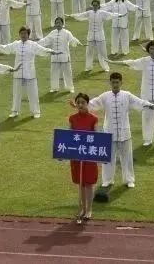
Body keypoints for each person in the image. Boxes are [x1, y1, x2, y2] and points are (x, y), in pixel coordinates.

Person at [86, 72, 154, 189]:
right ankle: (107, 180)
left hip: (125, 133)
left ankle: (129, 180)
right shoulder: (105, 96)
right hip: (109, 133)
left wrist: (151, 105)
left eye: (117, 82)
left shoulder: (127, 95)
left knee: (127, 158)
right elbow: (92, 103)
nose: (115, 84)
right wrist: (79, 105)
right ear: (110, 82)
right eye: (113, 82)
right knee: (108, 158)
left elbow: (139, 102)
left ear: (121, 82)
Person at [0, 26, 59, 118]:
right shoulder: (16, 44)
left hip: (30, 73)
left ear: (28, 34)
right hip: (18, 73)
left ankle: (36, 111)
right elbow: (6, 48)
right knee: (16, 93)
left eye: (25, 33)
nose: (23, 35)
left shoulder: (33, 45)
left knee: (33, 93)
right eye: (21, 33)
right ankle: (15, 111)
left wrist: (52, 51)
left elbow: (42, 50)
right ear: (19, 34)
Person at [69, 93, 99, 224]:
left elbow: (97, 138)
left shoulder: (93, 119)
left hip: (89, 155)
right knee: (80, 182)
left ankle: (89, 209)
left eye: (83, 102)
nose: (81, 105)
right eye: (78, 102)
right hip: (77, 155)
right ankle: (82, 208)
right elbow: (69, 136)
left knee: (89, 183)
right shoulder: (72, 118)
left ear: (87, 103)